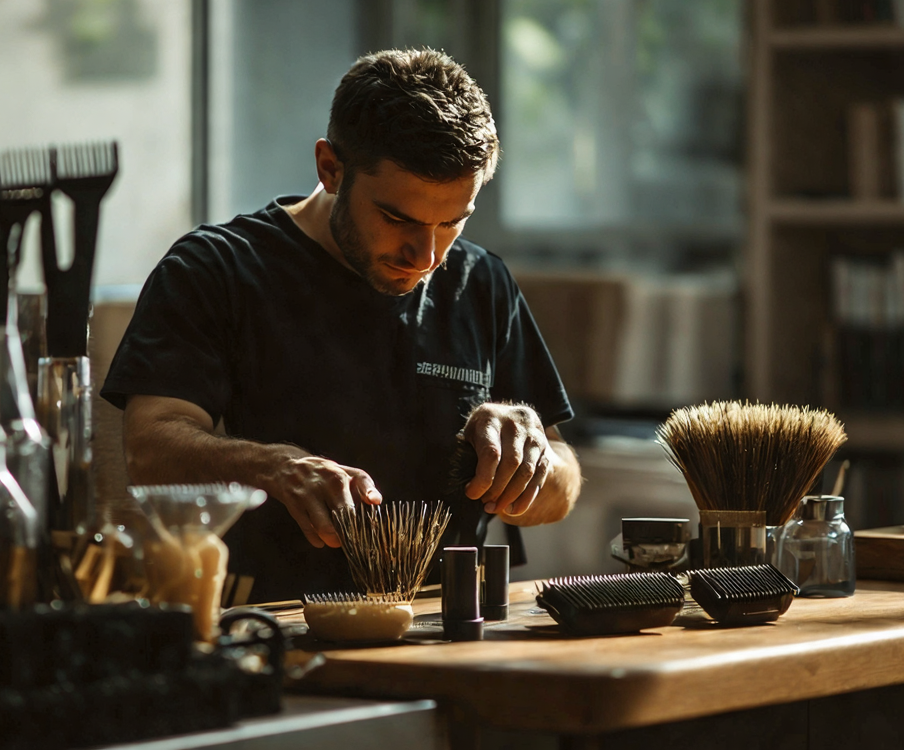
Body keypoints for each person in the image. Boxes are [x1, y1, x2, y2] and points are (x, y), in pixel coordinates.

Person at [102, 48, 581, 604]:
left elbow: (565, 485)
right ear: (330, 168)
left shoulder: (483, 283)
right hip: (271, 622)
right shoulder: (216, 269)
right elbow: (148, 450)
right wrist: (270, 467)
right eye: (396, 218)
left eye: (452, 222)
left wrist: (532, 457)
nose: (426, 256)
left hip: (449, 624)